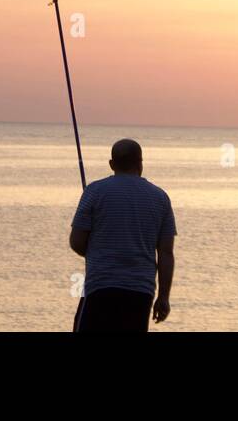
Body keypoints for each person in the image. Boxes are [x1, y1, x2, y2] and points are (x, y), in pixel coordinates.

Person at [70, 138, 176, 332]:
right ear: (140, 163)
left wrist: (97, 251)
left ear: (112, 164)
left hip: (101, 286)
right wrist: (163, 297)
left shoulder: (94, 191)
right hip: (140, 292)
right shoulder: (160, 197)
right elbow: (166, 253)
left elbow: (77, 242)